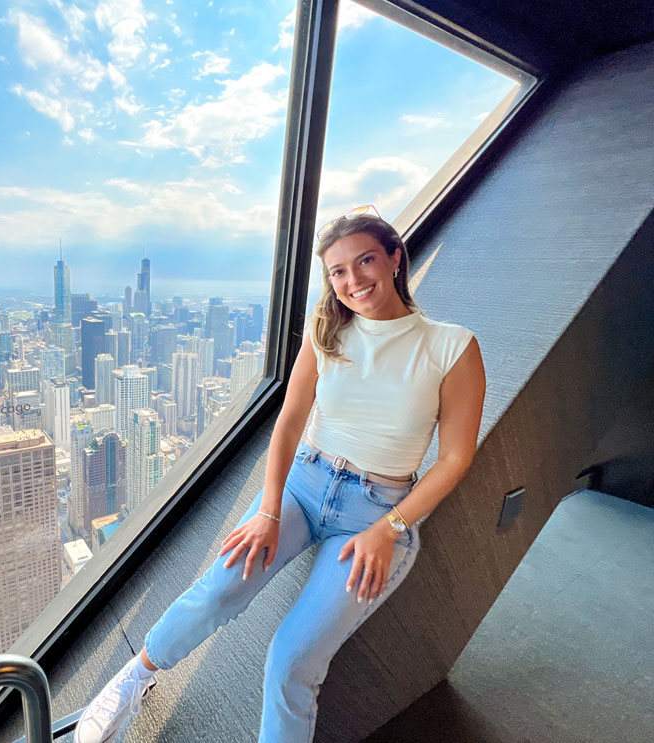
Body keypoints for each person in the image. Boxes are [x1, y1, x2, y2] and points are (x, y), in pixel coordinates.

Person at [74, 205, 487, 743]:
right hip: (304, 483)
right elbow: (290, 423)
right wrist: (269, 509)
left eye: (364, 262)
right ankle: (134, 680)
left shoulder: (451, 347)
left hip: (378, 509)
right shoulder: (326, 334)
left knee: (290, 660)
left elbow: (455, 459)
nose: (353, 281)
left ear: (394, 258)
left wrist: (388, 531)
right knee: (220, 587)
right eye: (338, 272)